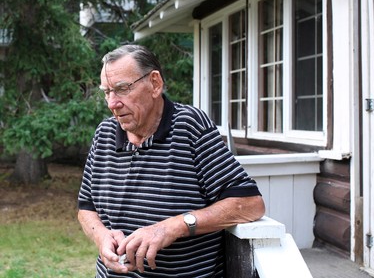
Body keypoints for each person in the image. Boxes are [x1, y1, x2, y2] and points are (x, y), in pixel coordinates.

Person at [77, 44, 265, 278]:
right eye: (107, 92)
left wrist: (174, 226)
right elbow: (86, 208)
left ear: (155, 83)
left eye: (122, 89)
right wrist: (101, 235)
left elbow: (249, 203)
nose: (112, 103)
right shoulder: (104, 133)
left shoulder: (189, 126)